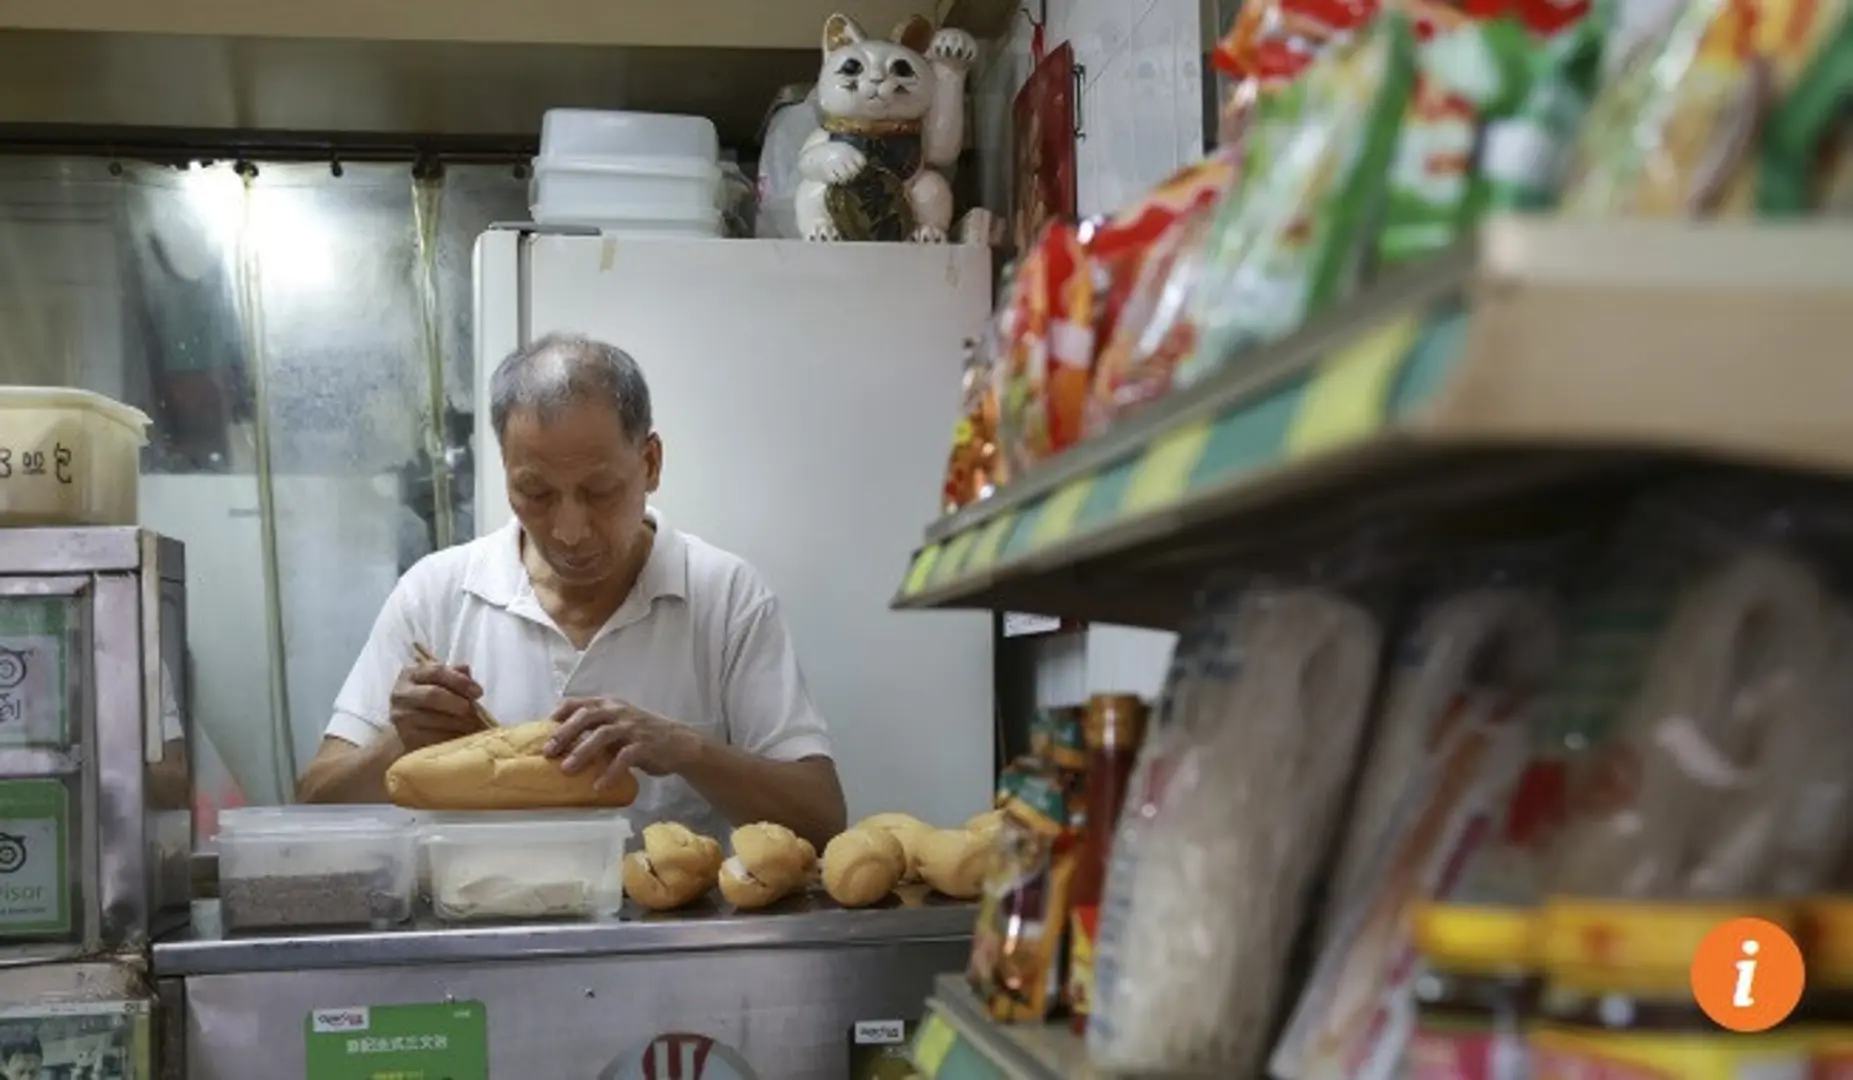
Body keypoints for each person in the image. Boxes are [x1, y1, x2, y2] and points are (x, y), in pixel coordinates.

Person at [297, 334, 848, 850]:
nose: (570, 531)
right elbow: (315, 802)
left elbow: (822, 818)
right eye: (535, 492)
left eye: (600, 491)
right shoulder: (436, 594)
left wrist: (688, 750)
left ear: (650, 464)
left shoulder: (726, 597)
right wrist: (404, 742)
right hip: (481, 934)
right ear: (507, 473)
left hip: (672, 945)